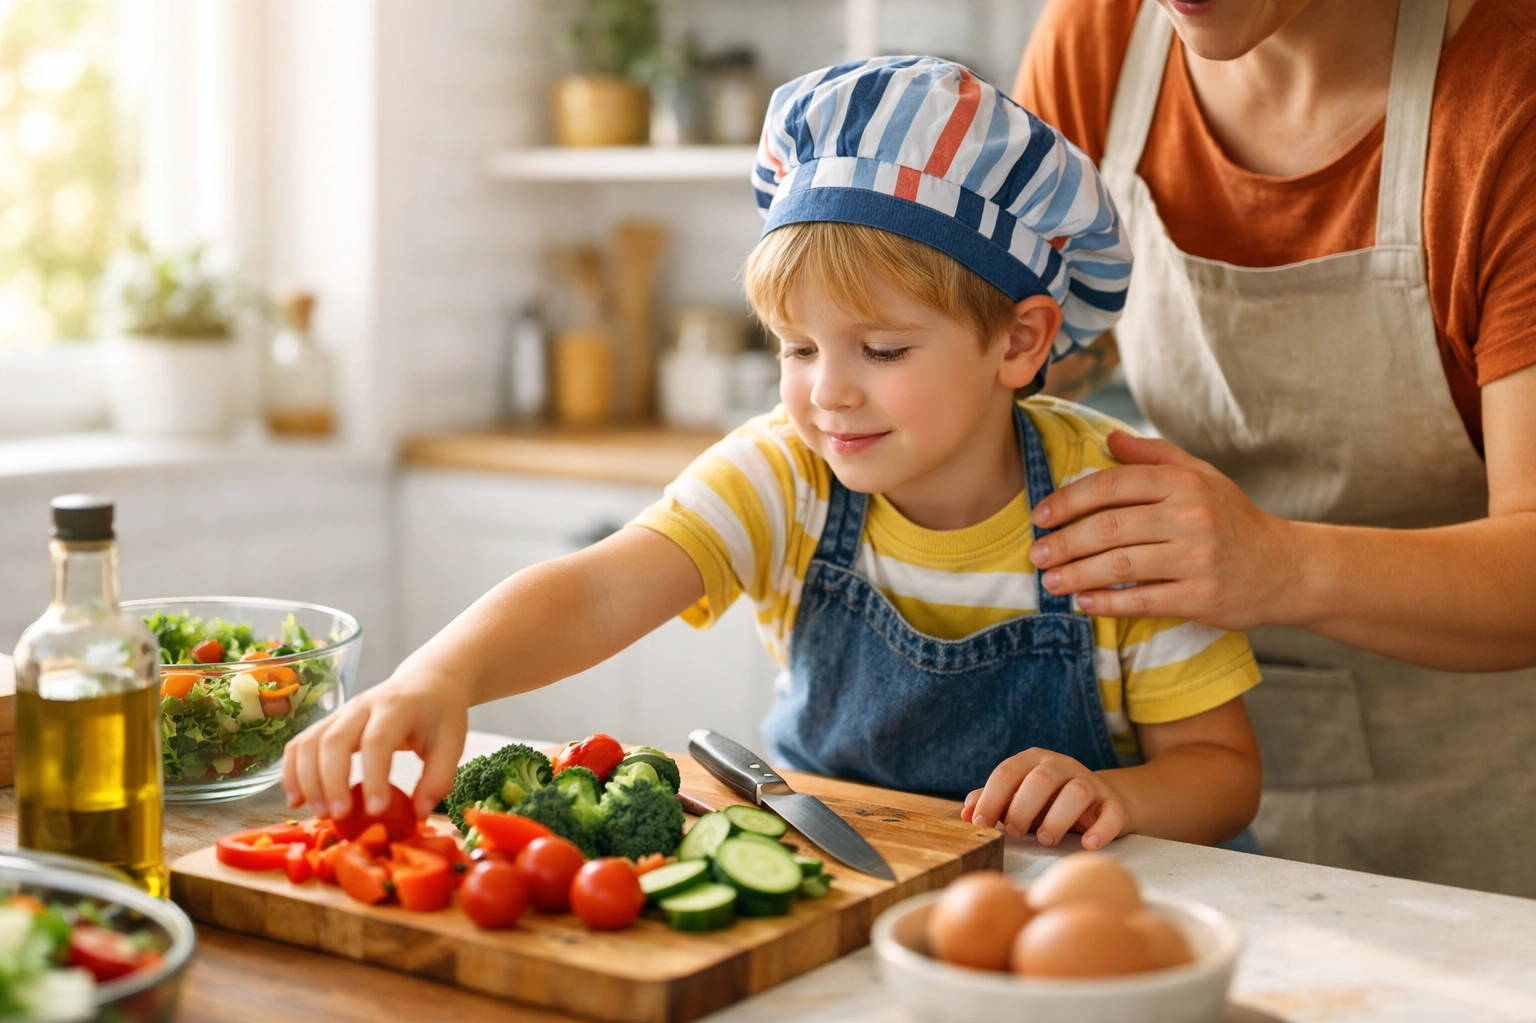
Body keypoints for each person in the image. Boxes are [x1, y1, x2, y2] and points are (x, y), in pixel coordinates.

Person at [283, 59, 1266, 851]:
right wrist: (436, 677)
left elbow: (1222, 772)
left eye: (882, 350)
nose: (827, 392)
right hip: (836, 881)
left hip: (1068, 915)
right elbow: (600, 590)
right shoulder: (786, 473)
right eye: (797, 348)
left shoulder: (1115, 512)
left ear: (1018, 341)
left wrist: (1116, 797)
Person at [1015, 0, 1536, 894]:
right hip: (1167, 789)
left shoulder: (1507, 101)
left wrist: (1281, 565)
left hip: (1467, 802)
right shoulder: (1099, 39)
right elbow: (1013, 352)